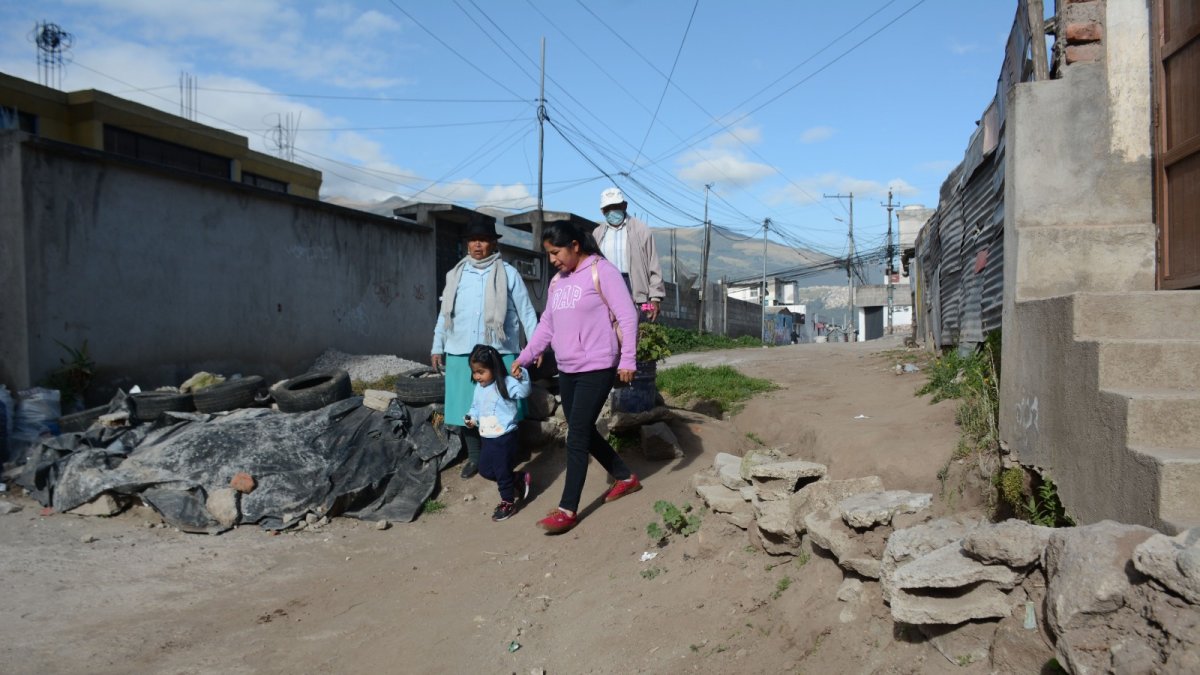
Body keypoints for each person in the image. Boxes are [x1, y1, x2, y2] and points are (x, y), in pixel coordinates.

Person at [514, 221, 643, 534]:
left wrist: (628, 358)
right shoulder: (558, 282)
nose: (553, 260)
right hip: (567, 368)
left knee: (577, 436)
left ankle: (567, 509)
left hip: (597, 365)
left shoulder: (603, 271)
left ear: (575, 245)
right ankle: (625, 477)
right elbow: (547, 324)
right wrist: (525, 356)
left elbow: (627, 315)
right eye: (549, 254)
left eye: (556, 252)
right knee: (581, 428)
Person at [432, 220, 538, 479]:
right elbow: (445, 314)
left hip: (499, 351)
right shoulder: (455, 275)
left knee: (506, 403)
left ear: (493, 243)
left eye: (482, 239)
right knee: (465, 406)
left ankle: (510, 451)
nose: (477, 244)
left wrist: (536, 347)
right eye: (472, 239)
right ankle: (475, 457)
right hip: (461, 352)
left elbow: (526, 312)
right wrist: (437, 345)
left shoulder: (509, 273)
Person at [464, 344, 533, 522]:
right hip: (487, 437)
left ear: (494, 368)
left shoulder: (507, 383)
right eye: (474, 372)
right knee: (485, 469)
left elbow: (525, 391)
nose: (477, 376)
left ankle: (508, 502)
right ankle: (518, 478)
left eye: (481, 372)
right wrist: (472, 418)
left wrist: (522, 375)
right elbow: (475, 407)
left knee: (501, 472)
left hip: (504, 437)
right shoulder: (479, 388)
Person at [592, 187, 666, 321]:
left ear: (624, 206)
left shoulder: (641, 230)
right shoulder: (597, 234)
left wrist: (655, 298)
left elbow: (653, 265)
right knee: (610, 327)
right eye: (608, 208)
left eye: (616, 206)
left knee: (637, 325)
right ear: (602, 211)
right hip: (607, 287)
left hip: (636, 291)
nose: (612, 211)